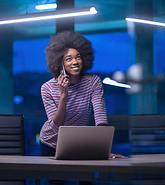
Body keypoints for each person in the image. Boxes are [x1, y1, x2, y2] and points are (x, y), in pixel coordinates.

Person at [39, 31, 126, 160]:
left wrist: (103, 149)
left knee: (86, 178)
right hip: (51, 142)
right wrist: (63, 94)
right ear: (59, 63)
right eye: (68, 59)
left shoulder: (93, 82)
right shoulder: (47, 88)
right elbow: (56, 124)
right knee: (56, 180)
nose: (75, 62)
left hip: (81, 143)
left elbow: (100, 118)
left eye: (78, 57)